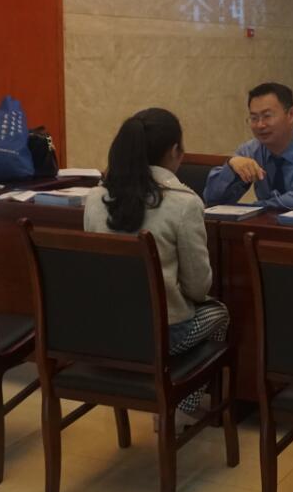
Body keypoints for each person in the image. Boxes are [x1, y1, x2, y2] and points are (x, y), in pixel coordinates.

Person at [83, 108, 226, 423]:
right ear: (175, 151)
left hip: (107, 330)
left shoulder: (95, 198)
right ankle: (181, 408)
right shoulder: (184, 203)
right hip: (166, 336)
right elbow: (198, 288)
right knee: (220, 314)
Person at [203, 82, 293, 210]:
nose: (260, 125)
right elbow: (212, 201)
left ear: (291, 115)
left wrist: (256, 207)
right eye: (254, 118)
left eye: (267, 116)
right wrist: (231, 166)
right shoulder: (250, 150)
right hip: (265, 226)